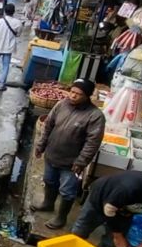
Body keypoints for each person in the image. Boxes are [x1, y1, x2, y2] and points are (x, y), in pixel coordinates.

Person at [32, 78, 105, 229]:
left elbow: (92, 143)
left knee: (67, 191)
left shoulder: (95, 116)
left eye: (78, 94)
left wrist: (81, 162)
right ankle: (48, 203)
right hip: (52, 154)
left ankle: (61, 217)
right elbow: (48, 126)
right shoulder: (61, 104)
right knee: (49, 180)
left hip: (71, 163)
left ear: (87, 96)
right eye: (72, 92)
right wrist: (41, 145)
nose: (73, 96)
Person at [0, 3, 23, 91]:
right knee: (6, 66)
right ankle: (2, 84)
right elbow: (18, 34)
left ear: (5, 11)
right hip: (8, 48)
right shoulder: (18, 23)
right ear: (13, 12)